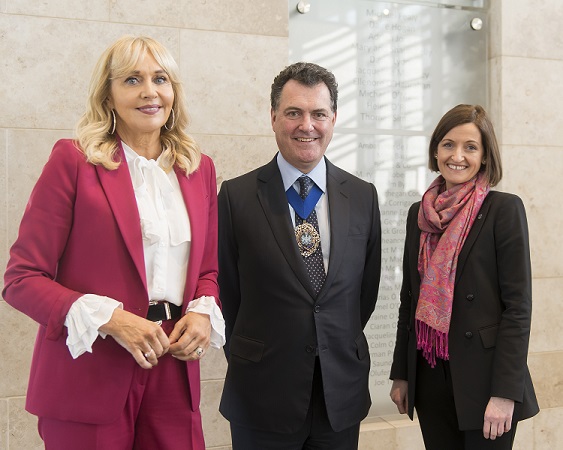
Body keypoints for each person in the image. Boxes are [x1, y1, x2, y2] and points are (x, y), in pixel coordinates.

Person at [3, 35, 225, 450]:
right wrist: (113, 319)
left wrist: (201, 314)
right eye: (131, 80)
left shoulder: (198, 169)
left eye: (160, 78)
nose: (149, 91)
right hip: (89, 370)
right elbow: (20, 280)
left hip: (172, 371)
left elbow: (207, 271)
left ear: (173, 91)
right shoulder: (72, 161)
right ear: (108, 95)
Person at [217, 62, 381, 450]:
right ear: (273, 118)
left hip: (338, 396)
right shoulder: (236, 197)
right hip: (262, 394)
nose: (306, 125)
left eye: (318, 113)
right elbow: (226, 293)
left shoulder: (362, 196)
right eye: (293, 113)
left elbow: (365, 293)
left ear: (334, 119)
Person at [389, 104, 539, 449]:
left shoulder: (504, 210)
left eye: (470, 147)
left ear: (485, 156)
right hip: (429, 374)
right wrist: (402, 372)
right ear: (436, 150)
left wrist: (505, 393)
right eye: (448, 144)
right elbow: (409, 299)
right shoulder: (419, 214)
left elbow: (518, 309)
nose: (457, 155)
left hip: (486, 379)